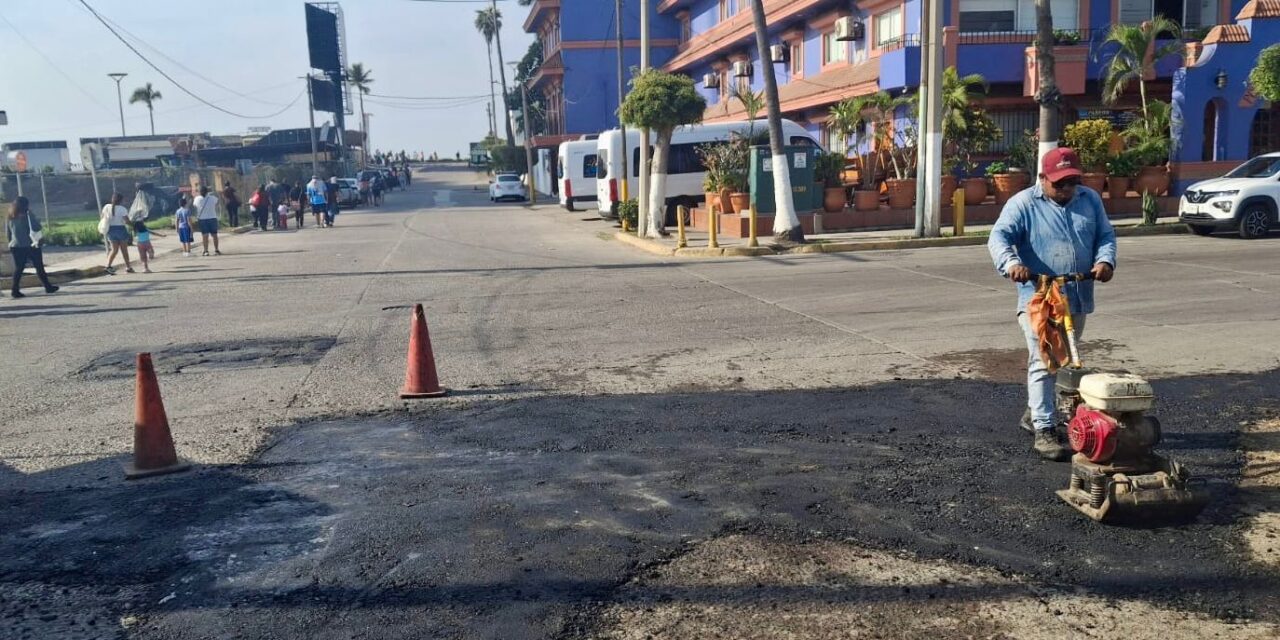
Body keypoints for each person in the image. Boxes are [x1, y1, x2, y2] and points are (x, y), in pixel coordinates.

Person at [988, 147, 1117, 462]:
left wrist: (1105, 261)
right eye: (1059, 184)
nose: (1066, 190)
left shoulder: (1089, 200)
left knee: (1065, 359)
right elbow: (999, 238)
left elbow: (1105, 236)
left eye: (1072, 182)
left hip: (1077, 293)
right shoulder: (1023, 204)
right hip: (1039, 296)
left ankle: (1036, 411)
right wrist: (1012, 264)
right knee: (1044, 360)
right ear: (1042, 178)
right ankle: (1045, 428)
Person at [6, 196, 58, 297]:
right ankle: (47, 286)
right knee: (39, 266)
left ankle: (15, 289)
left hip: (15, 246)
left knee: (19, 268)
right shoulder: (28, 215)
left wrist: (11, 243)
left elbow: (8, 232)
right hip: (31, 244)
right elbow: (37, 227)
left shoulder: (10, 216)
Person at [101, 192, 135, 274]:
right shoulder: (122, 209)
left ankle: (108, 266)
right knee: (124, 250)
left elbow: (102, 217)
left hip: (111, 230)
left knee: (114, 250)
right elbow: (127, 221)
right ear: (121, 200)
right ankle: (128, 267)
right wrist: (133, 225)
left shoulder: (106, 207)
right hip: (121, 229)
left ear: (112, 199)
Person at [192, 185, 221, 256]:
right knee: (214, 235)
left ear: (200, 192)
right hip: (212, 218)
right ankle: (216, 250)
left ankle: (206, 251)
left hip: (202, 219)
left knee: (205, 236)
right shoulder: (213, 198)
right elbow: (217, 203)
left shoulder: (197, 199)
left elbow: (194, 206)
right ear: (207, 192)